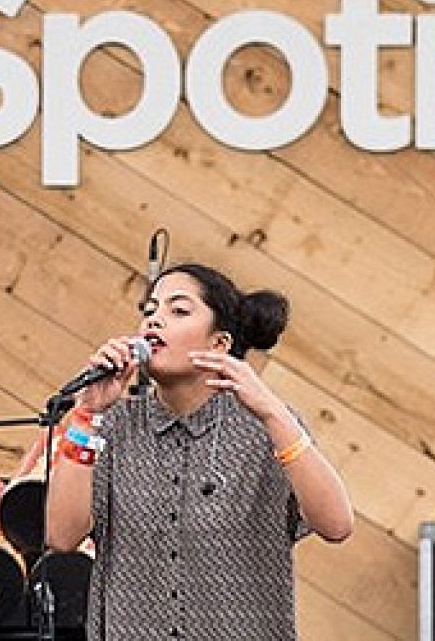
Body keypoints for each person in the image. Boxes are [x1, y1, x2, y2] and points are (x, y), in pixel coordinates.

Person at [45, 262, 353, 640]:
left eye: (178, 310)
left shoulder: (265, 427)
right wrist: (86, 416)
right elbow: (62, 536)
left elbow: (336, 525)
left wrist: (273, 412)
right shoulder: (112, 425)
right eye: (149, 310)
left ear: (219, 344)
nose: (154, 322)